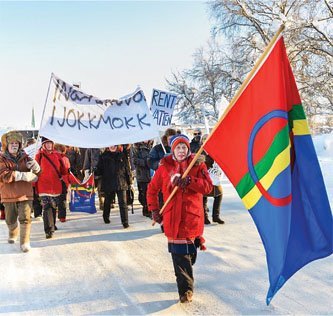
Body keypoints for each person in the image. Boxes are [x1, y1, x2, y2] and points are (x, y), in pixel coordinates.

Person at [147, 134, 213, 303]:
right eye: (178, 147)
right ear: (172, 150)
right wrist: (154, 210)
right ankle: (186, 291)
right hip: (172, 219)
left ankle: (186, 273)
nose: (181, 151)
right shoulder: (164, 167)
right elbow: (152, 190)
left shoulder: (198, 165)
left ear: (188, 148)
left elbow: (207, 187)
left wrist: (190, 180)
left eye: (184, 147)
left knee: (189, 256)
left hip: (192, 218)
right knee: (179, 257)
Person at [0, 131, 41, 252]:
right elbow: (3, 175)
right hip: (9, 195)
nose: (14, 145)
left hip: (25, 194)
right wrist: (22, 176)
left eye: (16, 143)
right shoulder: (2, 159)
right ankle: (13, 232)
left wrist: (36, 168)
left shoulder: (27, 157)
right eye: (11, 143)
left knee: (25, 218)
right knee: (10, 220)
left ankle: (25, 243)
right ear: (6, 145)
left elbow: (37, 174)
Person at [35, 137, 69, 239]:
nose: (49, 145)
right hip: (43, 185)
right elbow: (35, 170)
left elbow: (63, 171)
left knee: (53, 206)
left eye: (50, 143)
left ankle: (52, 225)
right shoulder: (39, 156)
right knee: (47, 207)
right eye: (47, 143)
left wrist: (66, 172)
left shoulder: (57, 155)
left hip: (55, 186)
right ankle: (48, 230)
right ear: (43, 145)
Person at [95, 145, 132, 228]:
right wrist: (95, 171)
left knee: (123, 203)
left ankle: (125, 222)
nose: (112, 147)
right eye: (111, 145)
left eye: (114, 145)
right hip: (108, 182)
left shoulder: (122, 155)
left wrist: (129, 181)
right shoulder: (103, 156)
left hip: (121, 181)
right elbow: (99, 170)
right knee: (107, 201)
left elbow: (127, 169)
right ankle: (106, 217)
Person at [200, 134, 225, 224]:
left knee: (219, 194)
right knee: (203, 198)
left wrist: (218, 170)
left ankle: (216, 216)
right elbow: (201, 163)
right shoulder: (200, 151)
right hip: (205, 178)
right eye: (204, 139)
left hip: (215, 179)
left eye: (208, 139)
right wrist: (210, 169)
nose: (206, 140)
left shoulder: (215, 150)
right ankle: (204, 217)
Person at [132, 140, 152, 217]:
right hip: (142, 174)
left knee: (150, 192)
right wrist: (146, 162)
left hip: (151, 174)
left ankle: (149, 209)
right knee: (143, 193)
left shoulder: (152, 146)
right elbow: (134, 160)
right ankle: (145, 208)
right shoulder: (137, 147)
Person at [54, 143, 71, 222]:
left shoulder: (53, 157)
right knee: (62, 199)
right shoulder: (65, 159)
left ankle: (55, 213)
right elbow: (68, 170)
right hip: (64, 181)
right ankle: (62, 217)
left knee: (54, 199)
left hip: (55, 181)